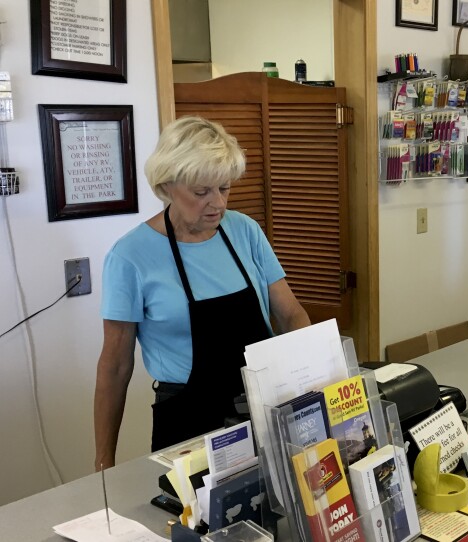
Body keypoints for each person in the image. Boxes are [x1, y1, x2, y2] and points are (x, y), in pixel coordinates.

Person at [94, 116, 311, 469]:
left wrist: (312, 381)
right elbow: (115, 365)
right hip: (187, 423)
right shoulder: (130, 257)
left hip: (262, 409)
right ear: (166, 186)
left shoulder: (245, 231)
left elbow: (290, 314)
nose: (218, 204)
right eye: (201, 192)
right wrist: (104, 461)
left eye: (224, 188)